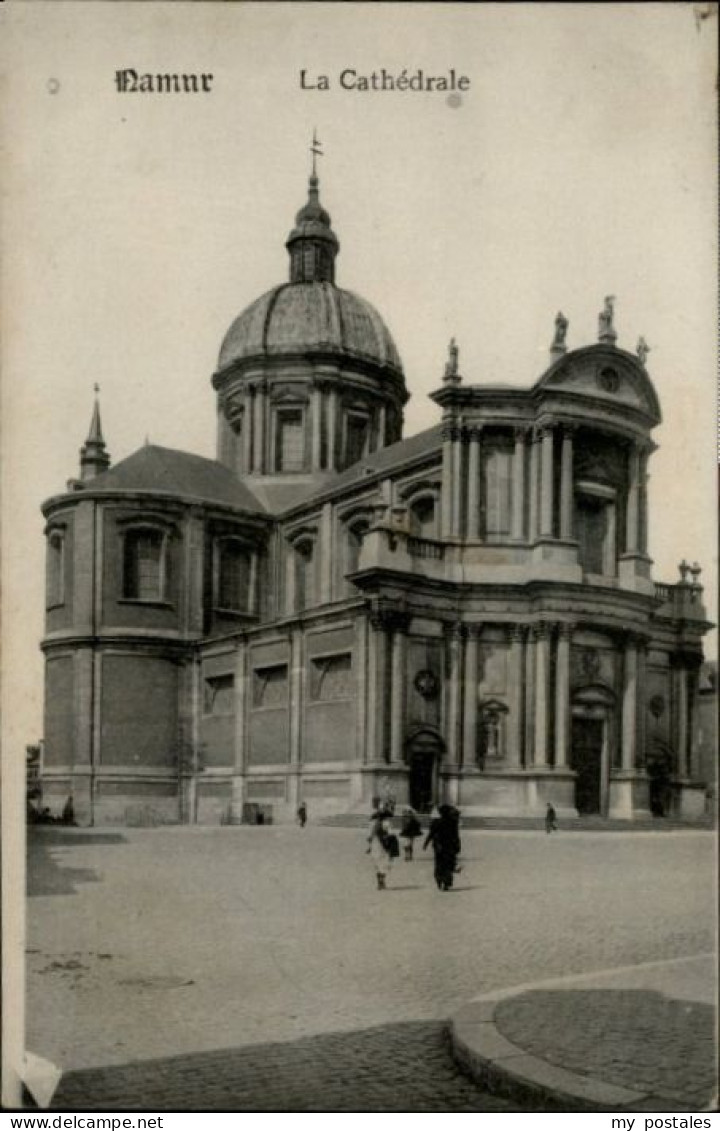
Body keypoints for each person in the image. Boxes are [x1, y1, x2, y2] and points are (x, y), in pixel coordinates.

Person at [423, 804, 461, 891]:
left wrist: (426, 843)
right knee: (447, 865)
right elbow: (456, 835)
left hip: (439, 847)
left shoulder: (436, 822)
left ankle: (439, 880)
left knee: (439, 864)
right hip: (449, 846)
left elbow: (431, 834)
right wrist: (458, 846)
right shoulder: (453, 822)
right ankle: (446, 883)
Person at [367, 804, 397, 890]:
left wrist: (370, 845)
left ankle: (379, 882)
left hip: (375, 844)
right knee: (385, 862)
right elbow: (391, 834)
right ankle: (382, 881)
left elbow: (369, 836)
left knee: (377, 863)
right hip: (384, 844)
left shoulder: (372, 823)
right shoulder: (387, 823)